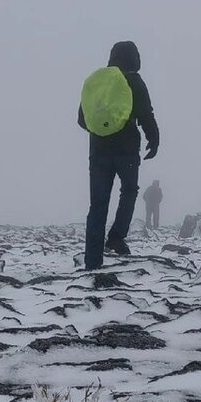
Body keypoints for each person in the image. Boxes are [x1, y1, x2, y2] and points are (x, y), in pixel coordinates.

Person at [78, 40, 159, 270]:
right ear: (134, 58)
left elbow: (82, 119)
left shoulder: (98, 83)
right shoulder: (133, 80)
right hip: (127, 151)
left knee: (98, 204)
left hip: (98, 152)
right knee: (130, 191)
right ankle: (115, 236)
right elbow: (146, 113)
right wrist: (154, 139)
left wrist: (104, 130)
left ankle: (92, 261)